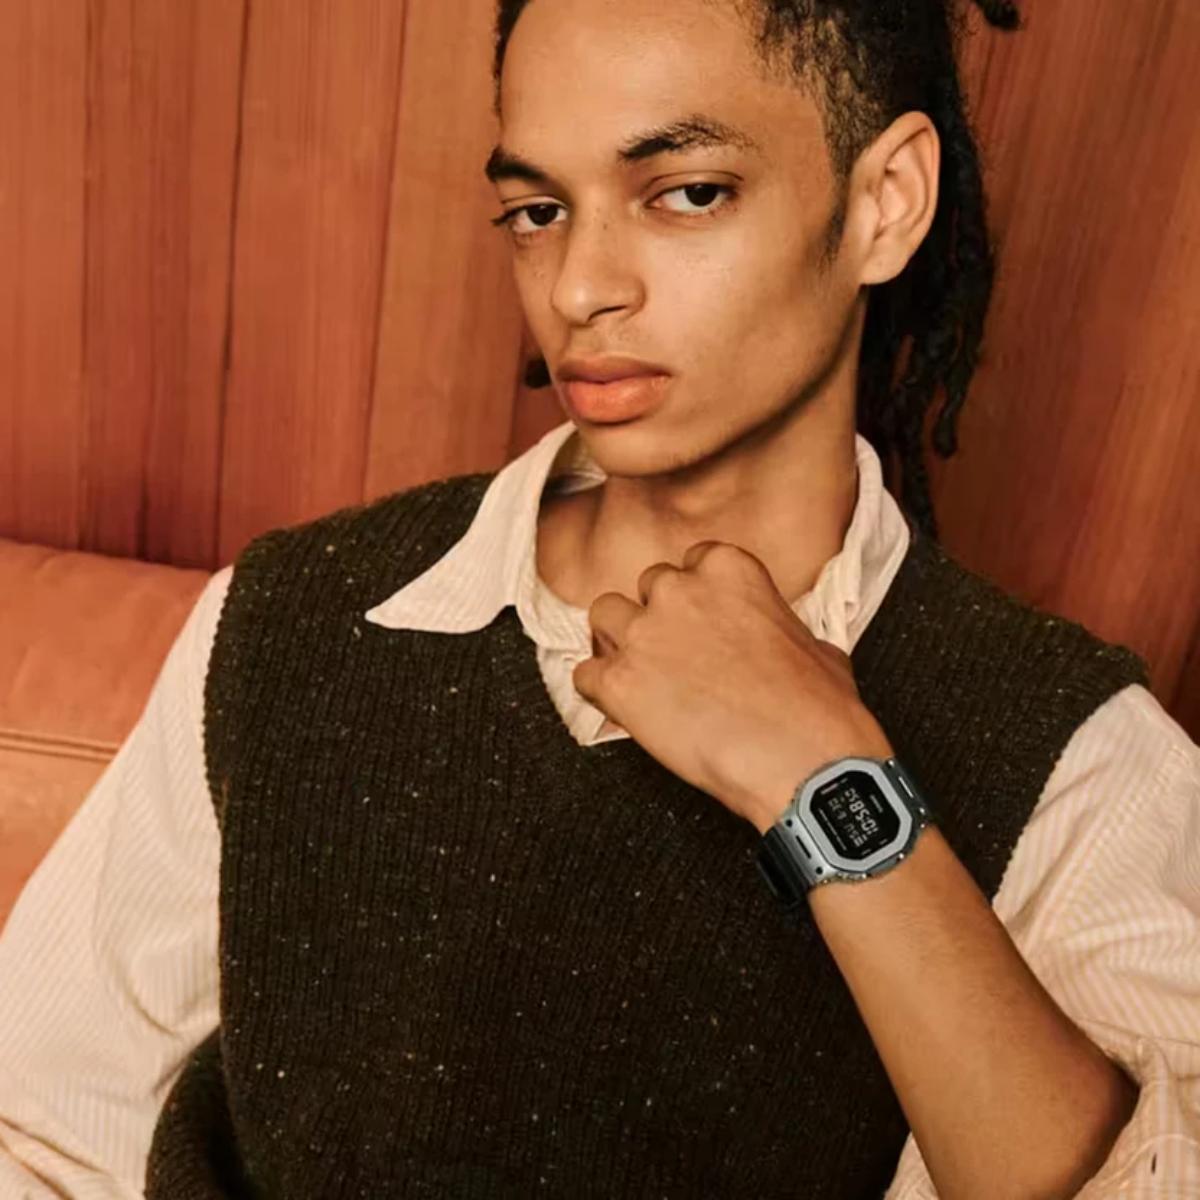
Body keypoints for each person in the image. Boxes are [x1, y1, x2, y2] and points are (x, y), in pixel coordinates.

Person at [1, 0, 1197, 1196]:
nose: (577, 286)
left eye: (687, 192)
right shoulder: (287, 619)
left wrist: (830, 786)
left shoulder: (1076, 754)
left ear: (884, 200)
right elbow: (43, 1132)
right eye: (538, 212)